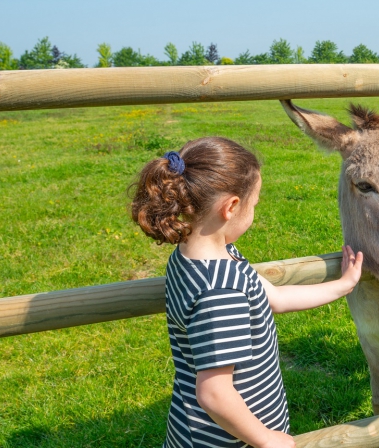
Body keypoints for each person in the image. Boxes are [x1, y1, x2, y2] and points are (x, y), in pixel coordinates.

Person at [129, 136, 363, 448]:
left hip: (207, 431)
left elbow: (275, 298)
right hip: (226, 440)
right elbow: (214, 392)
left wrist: (342, 285)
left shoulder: (200, 256)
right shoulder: (220, 291)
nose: (255, 211)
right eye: (254, 204)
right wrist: (264, 439)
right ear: (231, 207)